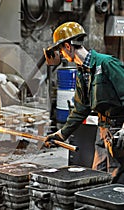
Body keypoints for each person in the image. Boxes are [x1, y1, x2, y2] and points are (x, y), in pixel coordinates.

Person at [44, 22, 124, 183]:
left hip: (119, 129)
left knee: (115, 180)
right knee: (97, 177)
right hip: (103, 131)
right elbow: (81, 109)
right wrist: (61, 134)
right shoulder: (82, 73)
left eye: (60, 50)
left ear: (68, 46)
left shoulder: (107, 64)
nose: (61, 54)